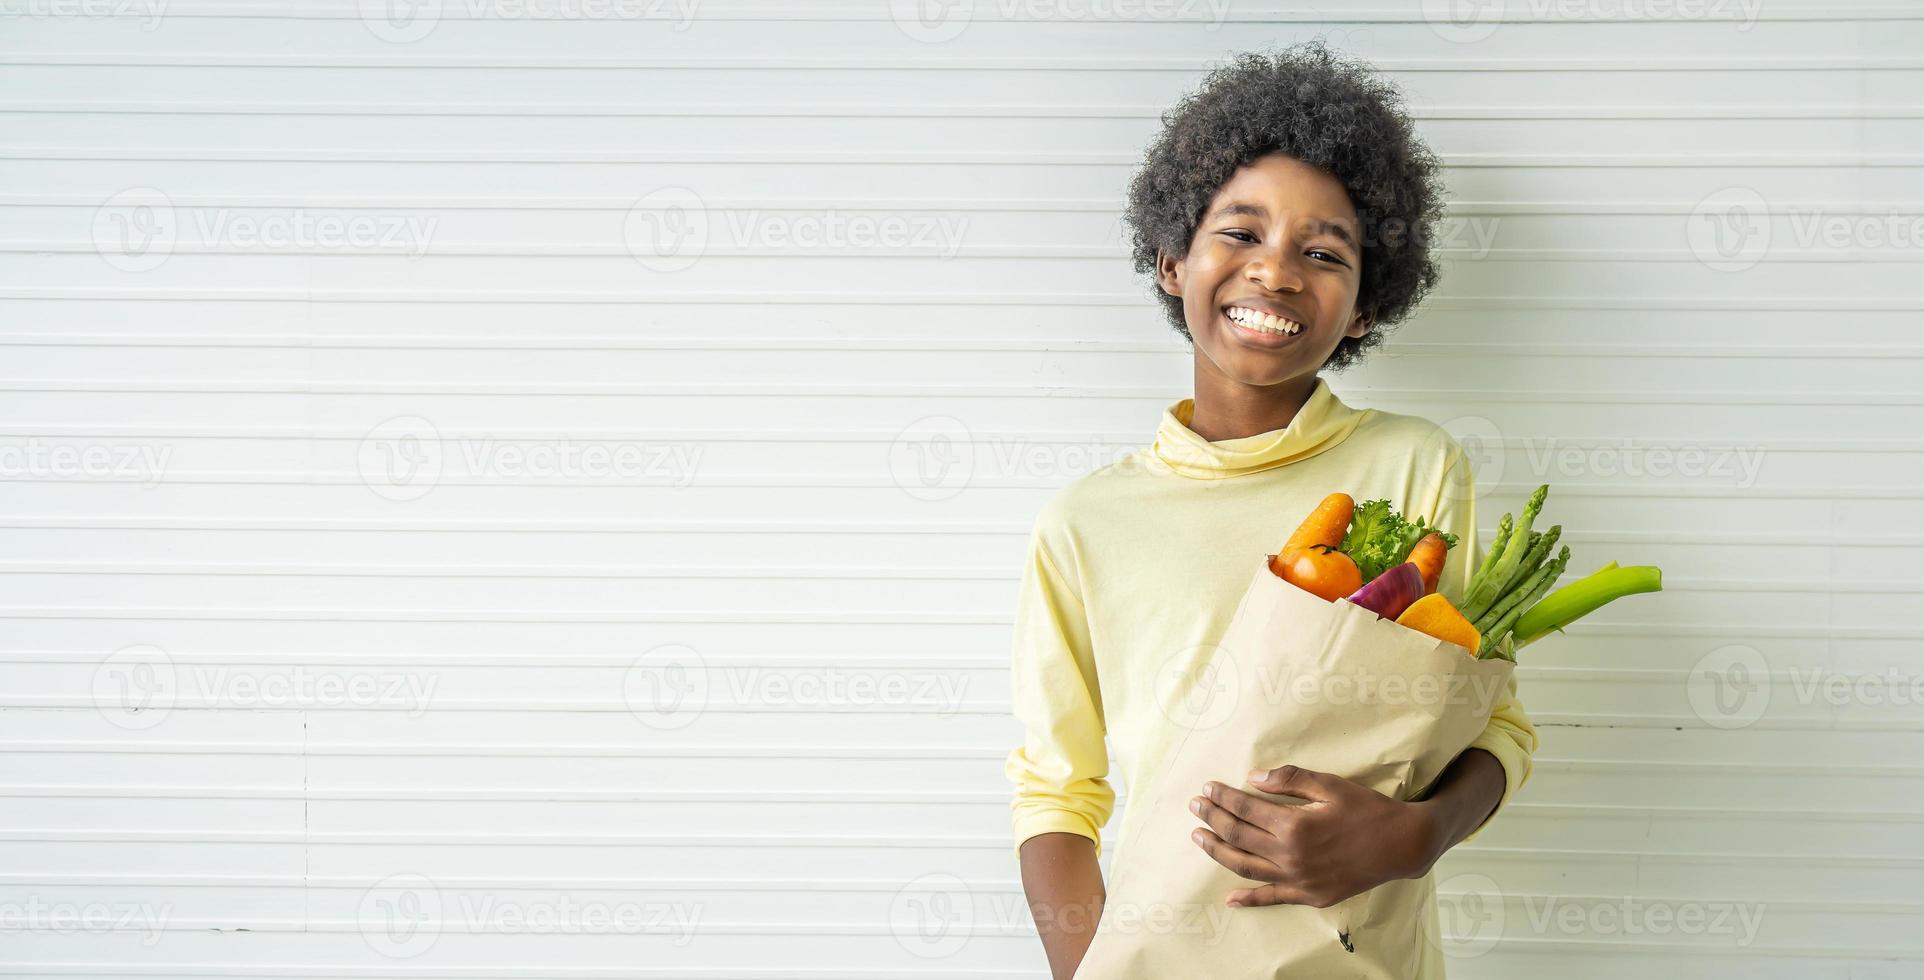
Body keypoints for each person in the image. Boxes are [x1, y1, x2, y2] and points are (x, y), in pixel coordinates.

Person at [1004, 40, 1538, 979]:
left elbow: (1497, 726)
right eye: (1240, 232)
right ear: (1172, 259)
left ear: (1366, 306)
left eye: (1323, 251)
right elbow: (1055, 791)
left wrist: (1414, 837)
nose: (1276, 272)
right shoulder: (1085, 522)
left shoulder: (1412, 467)